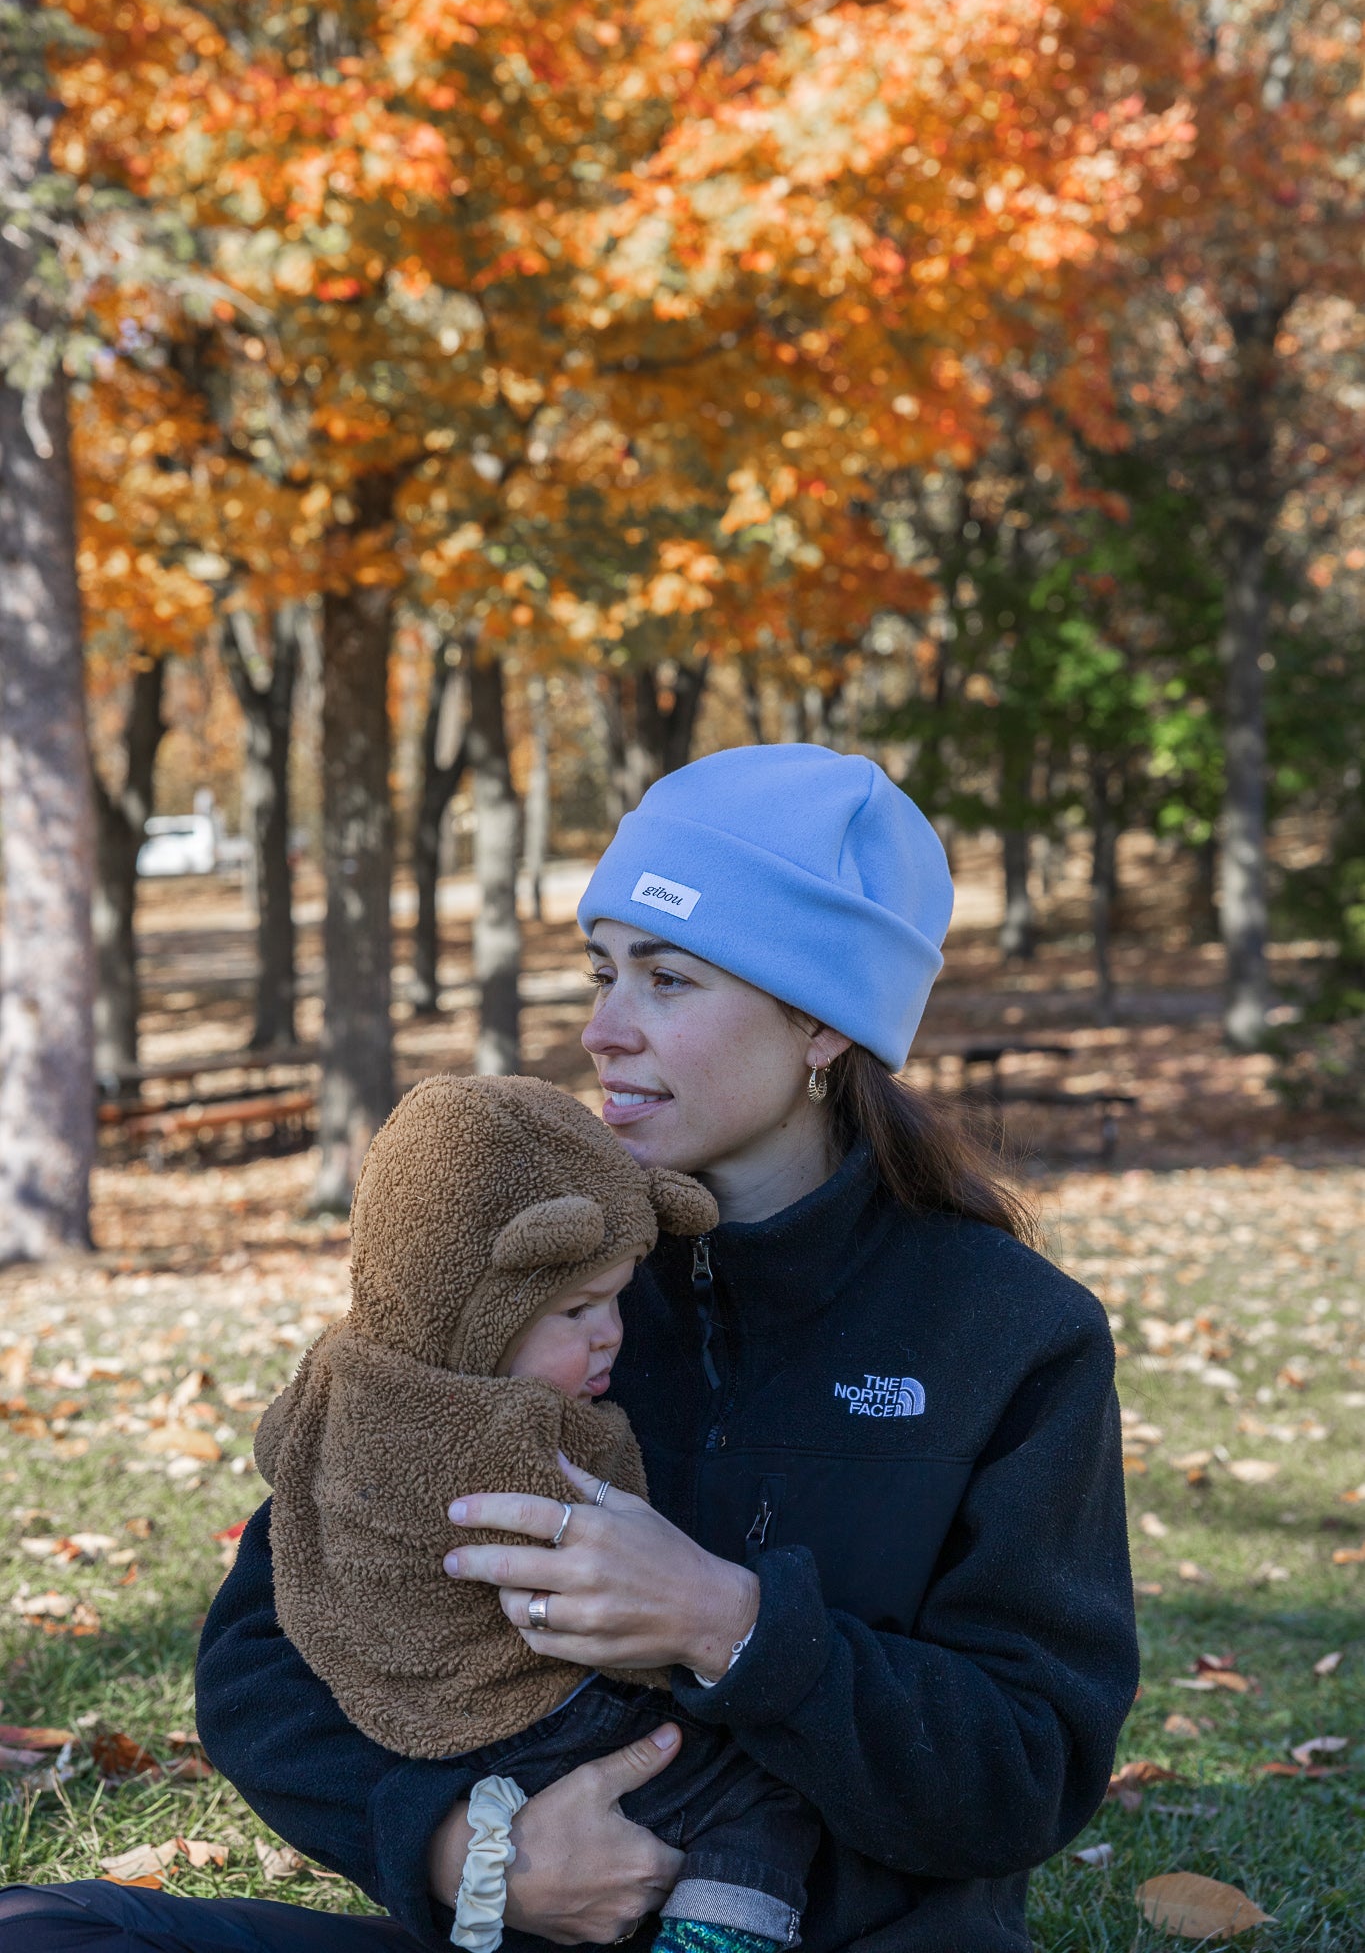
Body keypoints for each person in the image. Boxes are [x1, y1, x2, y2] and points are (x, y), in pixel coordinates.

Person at [0, 743, 1138, 1953]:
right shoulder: (520, 1267)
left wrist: (730, 1625)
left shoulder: (1010, 1332)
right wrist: (466, 1850)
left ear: (819, 1021)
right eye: (603, 971)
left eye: (668, 979)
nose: (603, 1029)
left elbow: (1028, 1766)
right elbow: (261, 1655)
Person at [254, 1072, 816, 1953]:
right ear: (471, 1313)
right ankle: (717, 1938)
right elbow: (616, 1567)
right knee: (759, 1793)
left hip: (402, 1718)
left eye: (618, 1298)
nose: (611, 1333)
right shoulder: (525, 1440)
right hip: (534, 1707)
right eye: (576, 1309)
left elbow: (277, 1452)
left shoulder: (340, 1369)